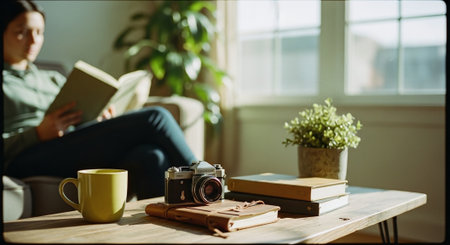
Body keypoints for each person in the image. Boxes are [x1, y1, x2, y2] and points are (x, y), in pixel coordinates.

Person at [2, 0, 197, 199]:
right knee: (156, 117)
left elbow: (75, 123)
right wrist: (37, 133)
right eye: (22, 32)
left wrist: (97, 121)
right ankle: (206, 182)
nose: (33, 40)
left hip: (66, 147)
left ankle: (167, 222)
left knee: (150, 155)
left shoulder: (52, 78)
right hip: (26, 156)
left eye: (39, 32)